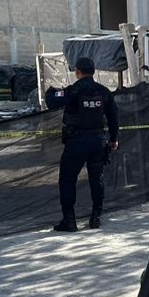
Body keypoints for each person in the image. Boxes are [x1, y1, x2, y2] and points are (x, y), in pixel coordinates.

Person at [55, 57, 119, 231]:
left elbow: (53, 99)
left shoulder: (73, 90)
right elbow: (113, 117)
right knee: (97, 179)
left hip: (76, 141)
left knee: (68, 179)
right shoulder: (104, 92)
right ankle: (95, 218)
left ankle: (69, 220)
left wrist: (53, 92)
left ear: (78, 72)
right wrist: (114, 139)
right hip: (98, 141)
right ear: (93, 71)